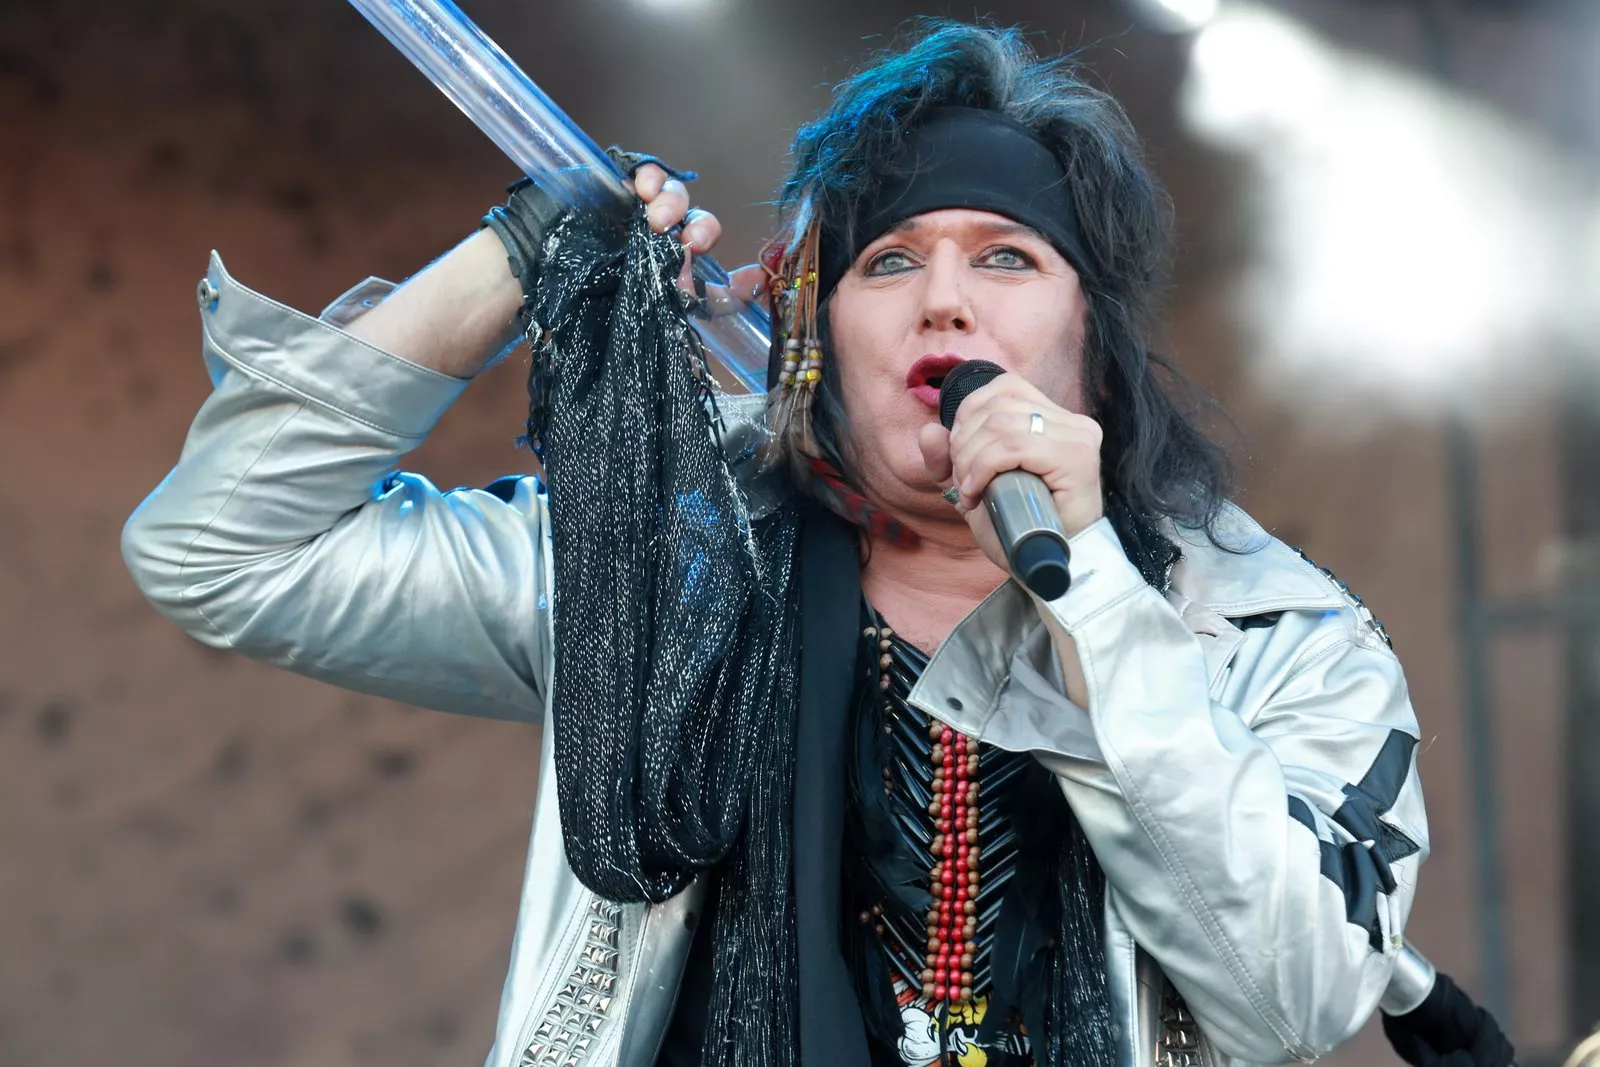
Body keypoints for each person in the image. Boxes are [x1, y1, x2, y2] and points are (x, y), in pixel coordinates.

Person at [124, 19, 1446, 1067]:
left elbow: (1292, 996)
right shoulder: (658, 568)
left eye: (1005, 258)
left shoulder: (1272, 634)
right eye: (888, 263)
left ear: (1093, 341)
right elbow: (219, 548)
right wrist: (517, 259)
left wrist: (1091, 585)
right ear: (816, 338)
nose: (942, 303)